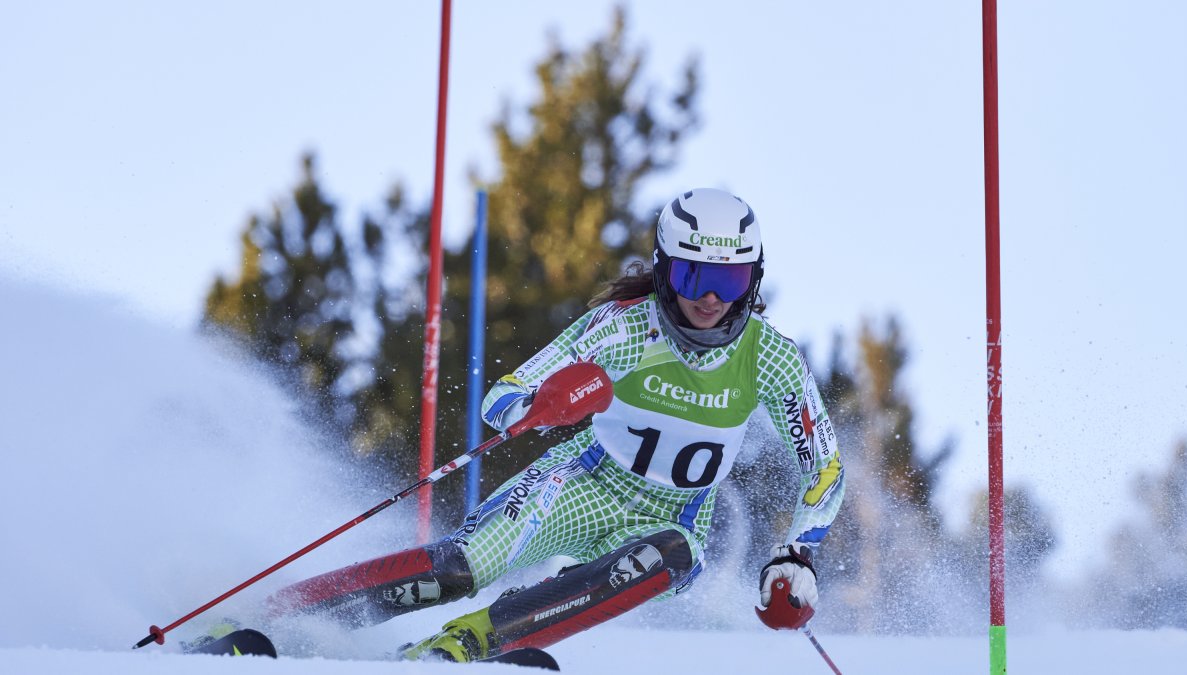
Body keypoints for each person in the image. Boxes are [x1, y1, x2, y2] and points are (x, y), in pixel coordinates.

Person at [265, 187, 845, 662]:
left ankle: (469, 643)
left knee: (660, 559)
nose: (712, 299)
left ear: (754, 279)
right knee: (460, 567)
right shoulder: (624, 328)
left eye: (732, 280)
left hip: (673, 519)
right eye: (695, 279)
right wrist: (548, 404)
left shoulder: (771, 358)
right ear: (667, 272)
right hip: (582, 485)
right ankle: (280, 616)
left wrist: (795, 555)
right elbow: (507, 395)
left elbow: (824, 471)